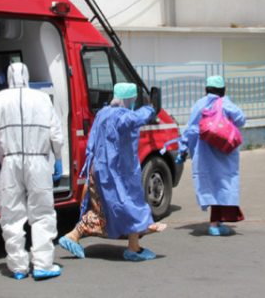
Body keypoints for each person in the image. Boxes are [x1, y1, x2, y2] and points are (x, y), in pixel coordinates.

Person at [58, 82, 167, 262]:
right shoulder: (121, 116)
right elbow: (134, 118)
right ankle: (133, 248)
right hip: (116, 174)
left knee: (101, 210)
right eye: (133, 99)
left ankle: (73, 236)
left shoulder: (103, 113)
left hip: (98, 169)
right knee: (130, 205)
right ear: (129, 99)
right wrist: (151, 108)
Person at [0, 62, 64, 280]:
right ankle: (43, 265)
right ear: (27, 76)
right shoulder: (42, 99)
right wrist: (58, 157)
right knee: (42, 213)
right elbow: (56, 133)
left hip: (11, 162)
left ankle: (18, 266)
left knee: (11, 214)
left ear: (8, 77)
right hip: (39, 161)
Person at [177, 75, 246, 236]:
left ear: (206, 89)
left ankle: (217, 222)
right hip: (225, 153)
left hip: (204, 154)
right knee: (224, 185)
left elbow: (190, 129)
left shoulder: (199, 105)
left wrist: (182, 150)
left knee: (211, 185)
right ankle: (215, 224)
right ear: (223, 90)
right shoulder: (225, 104)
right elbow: (241, 119)